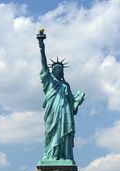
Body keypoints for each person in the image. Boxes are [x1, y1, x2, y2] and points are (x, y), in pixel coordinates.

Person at [37, 29, 85, 163]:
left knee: (64, 135)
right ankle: (51, 156)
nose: (57, 70)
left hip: (65, 114)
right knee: (51, 134)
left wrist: (78, 100)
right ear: (52, 71)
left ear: (62, 71)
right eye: (55, 69)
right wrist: (41, 45)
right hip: (52, 114)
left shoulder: (66, 86)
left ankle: (64, 156)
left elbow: (72, 105)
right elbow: (43, 63)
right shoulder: (49, 81)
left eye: (60, 69)